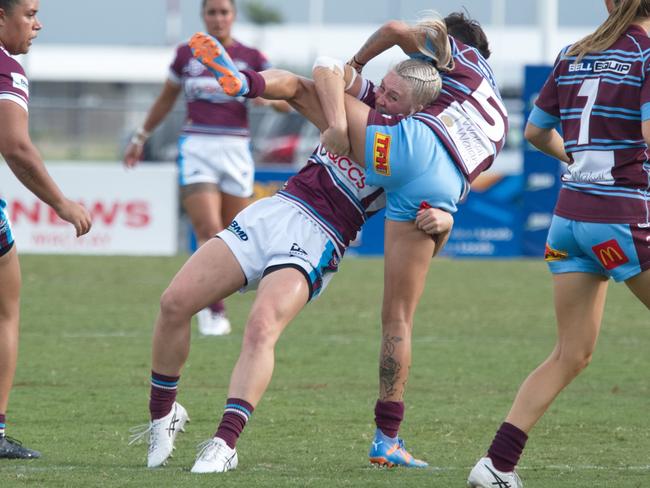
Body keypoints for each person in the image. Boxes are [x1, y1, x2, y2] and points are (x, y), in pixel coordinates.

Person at [192, 10, 507, 467]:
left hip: (405, 149)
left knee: (305, 88)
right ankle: (387, 438)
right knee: (399, 317)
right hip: (444, 188)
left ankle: (246, 85)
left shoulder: (459, 55)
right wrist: (447, 218)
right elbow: (464, 164)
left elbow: (388, 34)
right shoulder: (486, 102)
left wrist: (353, 71)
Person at [129, 54, 454, 473]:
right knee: (174, 302)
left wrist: (443, 222)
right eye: (384, 86)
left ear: (417, 111)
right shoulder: (359, 108)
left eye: (393, 97)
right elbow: (310, 78)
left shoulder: (415, 156)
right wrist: (247, 83)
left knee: (262, 326)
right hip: (276, 210)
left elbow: (435, 225)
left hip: (319, 237)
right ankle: (163, 417)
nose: (382, 98)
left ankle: (224, 443)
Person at [467, 1, 650, 486]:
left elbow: (534, 131)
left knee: (571, 353)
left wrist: (582, 161)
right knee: (571, 352)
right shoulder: (648, 53)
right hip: (622, 221)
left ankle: (496, 465)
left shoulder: (574, 52)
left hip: (569, 222)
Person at [123, 0, 287, 336]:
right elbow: (165, 99)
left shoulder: (252, 58)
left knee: (232, 233)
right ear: (203, 16)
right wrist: (140, 136)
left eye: (224, 12)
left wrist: (265, 97)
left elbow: (283, 101)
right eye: (211, 12)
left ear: (233, 16)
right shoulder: (187, 55)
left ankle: (212, 295)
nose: (218, 18)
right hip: (197, 147)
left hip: (236, 148)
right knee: (208, 228)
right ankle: (213, 309)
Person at [0, 0, 92, 459]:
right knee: (5, 311)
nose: (38, 24)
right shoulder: (6, 68)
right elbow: (16, 146)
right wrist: (61, 203)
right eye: (29, 13)